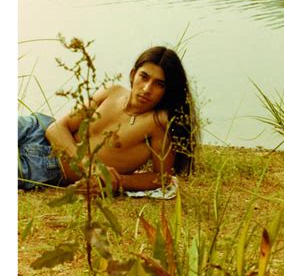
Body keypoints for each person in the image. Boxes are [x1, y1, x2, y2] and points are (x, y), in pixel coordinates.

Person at [18, 46, 198, 195]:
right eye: (144, 77)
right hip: (37, 128)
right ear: (133, 74)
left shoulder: (158, 123)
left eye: (159, 84)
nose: (147, 88)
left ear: (168, 90)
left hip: (47, 165)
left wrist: (117, 181)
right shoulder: (112, 92)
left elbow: (162, 178)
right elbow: (56, 128)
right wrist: (91, 166)